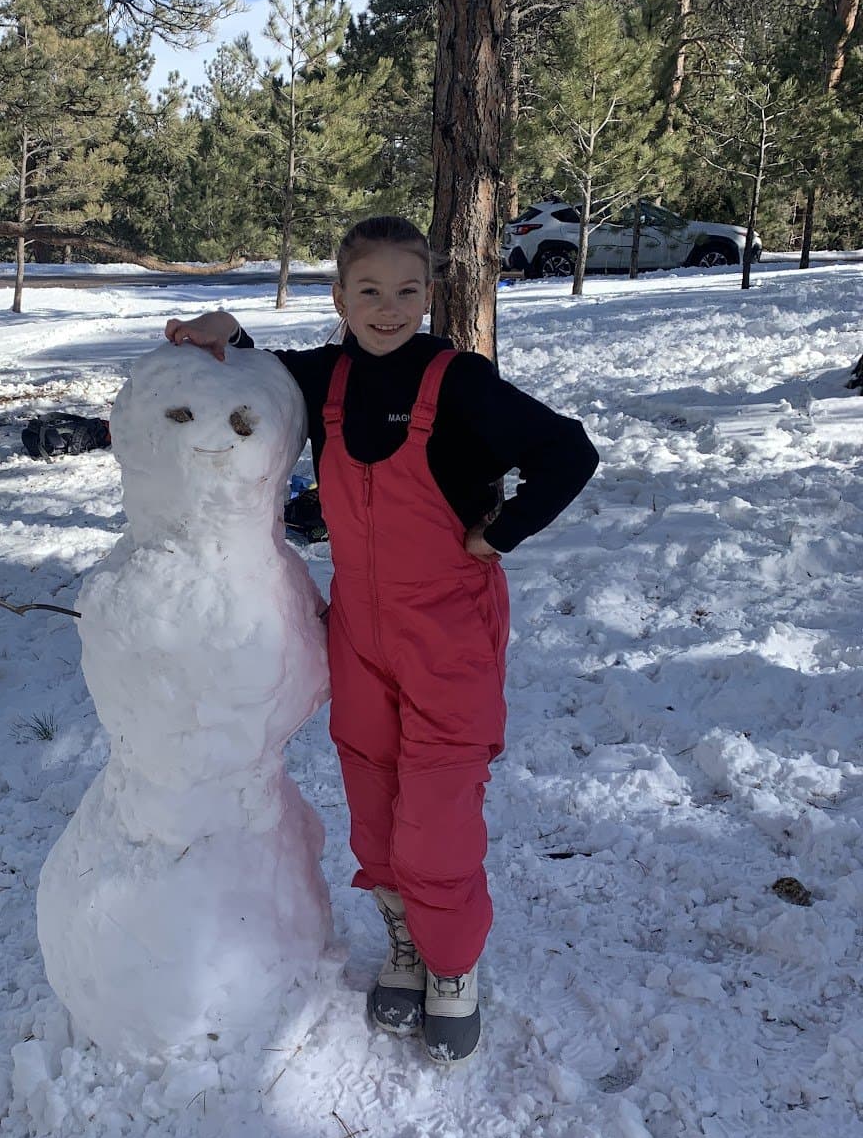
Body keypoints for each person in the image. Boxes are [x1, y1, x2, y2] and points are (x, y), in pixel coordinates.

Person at [165, 215, 598, 1066]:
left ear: (430, 296)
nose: (388, 307)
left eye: (407, 290)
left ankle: (452, 967)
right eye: (368, 291)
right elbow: (263, 374)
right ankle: (405, 943)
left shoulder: (459, 382)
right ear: (339, 298)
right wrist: (227, 333)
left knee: (437, 816)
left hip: (448, 638)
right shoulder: (326, 378)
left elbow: (567, 452)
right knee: (374, 804)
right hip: (359, 634)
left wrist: (498, 534)